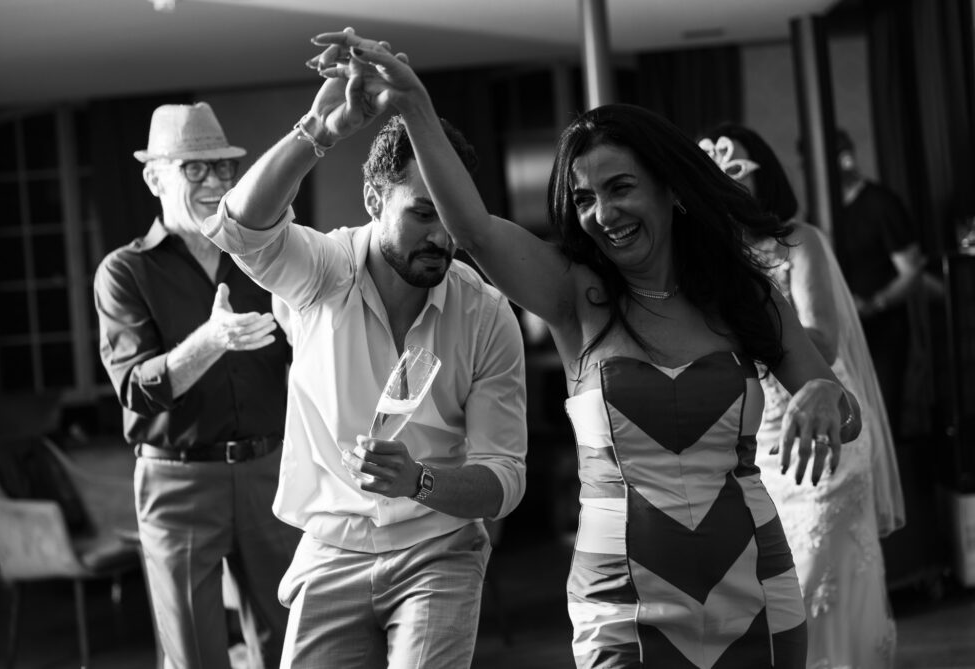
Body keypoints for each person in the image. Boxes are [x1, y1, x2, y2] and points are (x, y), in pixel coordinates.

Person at [309, 31, 862, 669]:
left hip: (757, 587)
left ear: (669, 190)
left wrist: (824, 393)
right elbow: (475, 232)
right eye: (583, 198)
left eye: (620, 187)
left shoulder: (743, 297)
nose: (603, 212)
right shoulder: (577, 296)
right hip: (619, 602)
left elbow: (846, 416)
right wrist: (415, 107)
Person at [198, 39, 528, 669]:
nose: (442, 238)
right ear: (375, 200)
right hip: (330, 548)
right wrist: (318, 132)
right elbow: (238, 228)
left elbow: (504, 479)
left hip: (440, 549)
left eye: (452, 218)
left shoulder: (486, 313)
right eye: (422, 214)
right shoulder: (323, 270)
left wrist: (420, 480)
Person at [93, 102, 300, 669]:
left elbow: (307, 357)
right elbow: (137, 389)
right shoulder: (123, 272)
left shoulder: (263, 258)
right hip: (177, 483)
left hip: (270, 475)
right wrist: (212, 340)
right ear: (153, 177)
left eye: (224, 168)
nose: (215, 182)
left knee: (297, 647)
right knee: (194, 658)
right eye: (194, 168)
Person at [700, 124, 905, 668]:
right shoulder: (704, 261)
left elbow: (823, 340)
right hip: (754, 441)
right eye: (711, 174)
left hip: (822, 423)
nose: (724, 183)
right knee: (770, 584)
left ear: (762, 174)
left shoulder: (798, 241)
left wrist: (752, 328)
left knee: (816, 570)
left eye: (736, 170)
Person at [833, 129, 923, 433]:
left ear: (845, 159)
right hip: (845, 336)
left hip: (885, 333)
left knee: (884, 423)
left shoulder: (881, 204)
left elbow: (912, 272)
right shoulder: (826, 210)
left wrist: (873, 304)